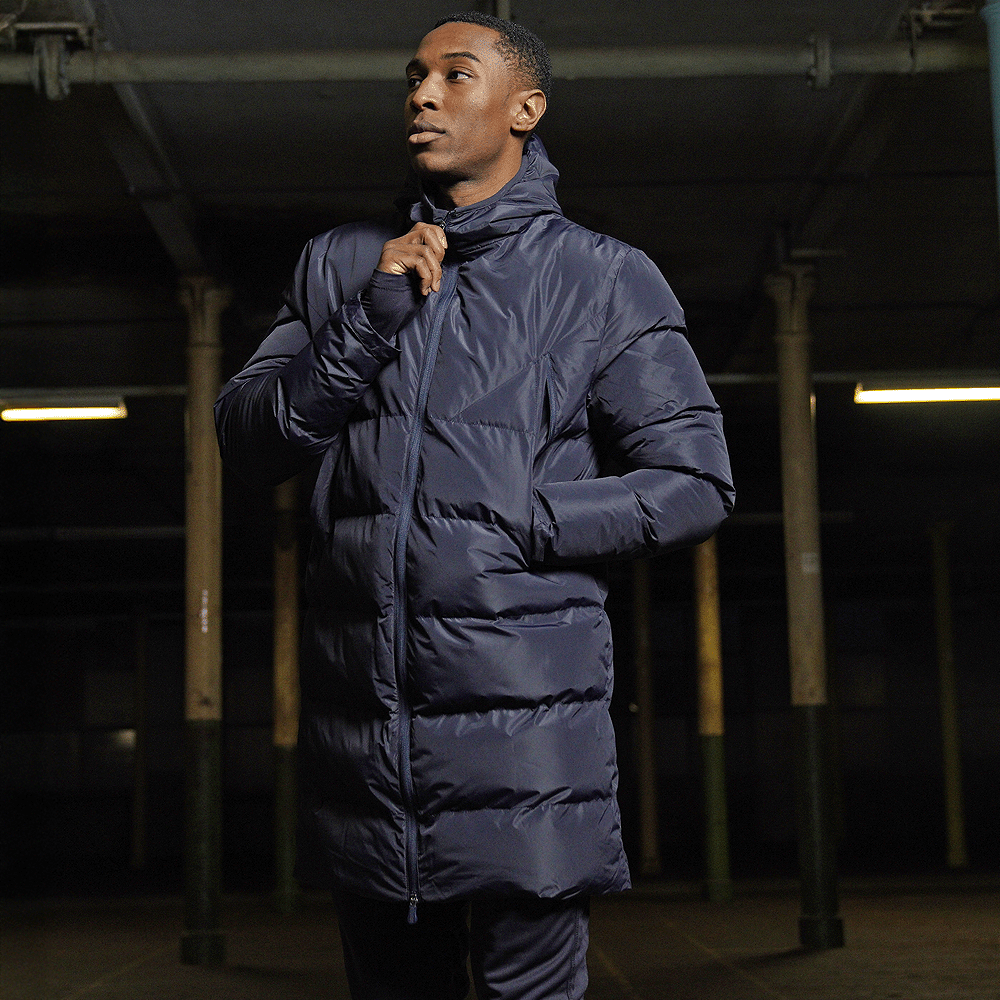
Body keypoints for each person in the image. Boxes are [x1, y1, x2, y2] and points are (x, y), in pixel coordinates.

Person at [215, 11, 734, 999]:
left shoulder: (601, 279)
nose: (422, 93)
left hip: (529, 746)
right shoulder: (340, 264)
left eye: (456, 75)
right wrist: (370, 318)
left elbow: (696, 482)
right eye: (415, 76)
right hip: (367, 749)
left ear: (525, 109)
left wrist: (524, 523)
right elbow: (249, 439)